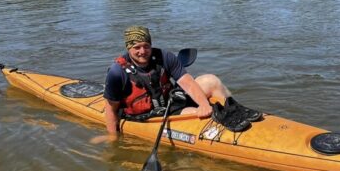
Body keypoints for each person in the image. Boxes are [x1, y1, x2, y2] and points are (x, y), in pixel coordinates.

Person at [101, 26, 260, 141]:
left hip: (170, 101)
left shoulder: (164, 57)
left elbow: (187, 83)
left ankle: (234, 110)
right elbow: (110, 109)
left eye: (146, 46)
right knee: (196, 114)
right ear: (128, 48)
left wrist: (204, 104)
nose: (142, 51)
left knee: (211, 80)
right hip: (146, 115)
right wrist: (113, 138)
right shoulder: (117, 72)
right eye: (137, 47)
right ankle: (227, 129)